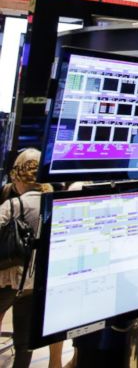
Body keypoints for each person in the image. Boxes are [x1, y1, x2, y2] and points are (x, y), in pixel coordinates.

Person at [0, 149, 63, 368]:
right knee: (24, 341)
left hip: (7, 280)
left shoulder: (13, 204)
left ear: (19, 177)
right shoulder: (53, 203)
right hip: (33, 282)